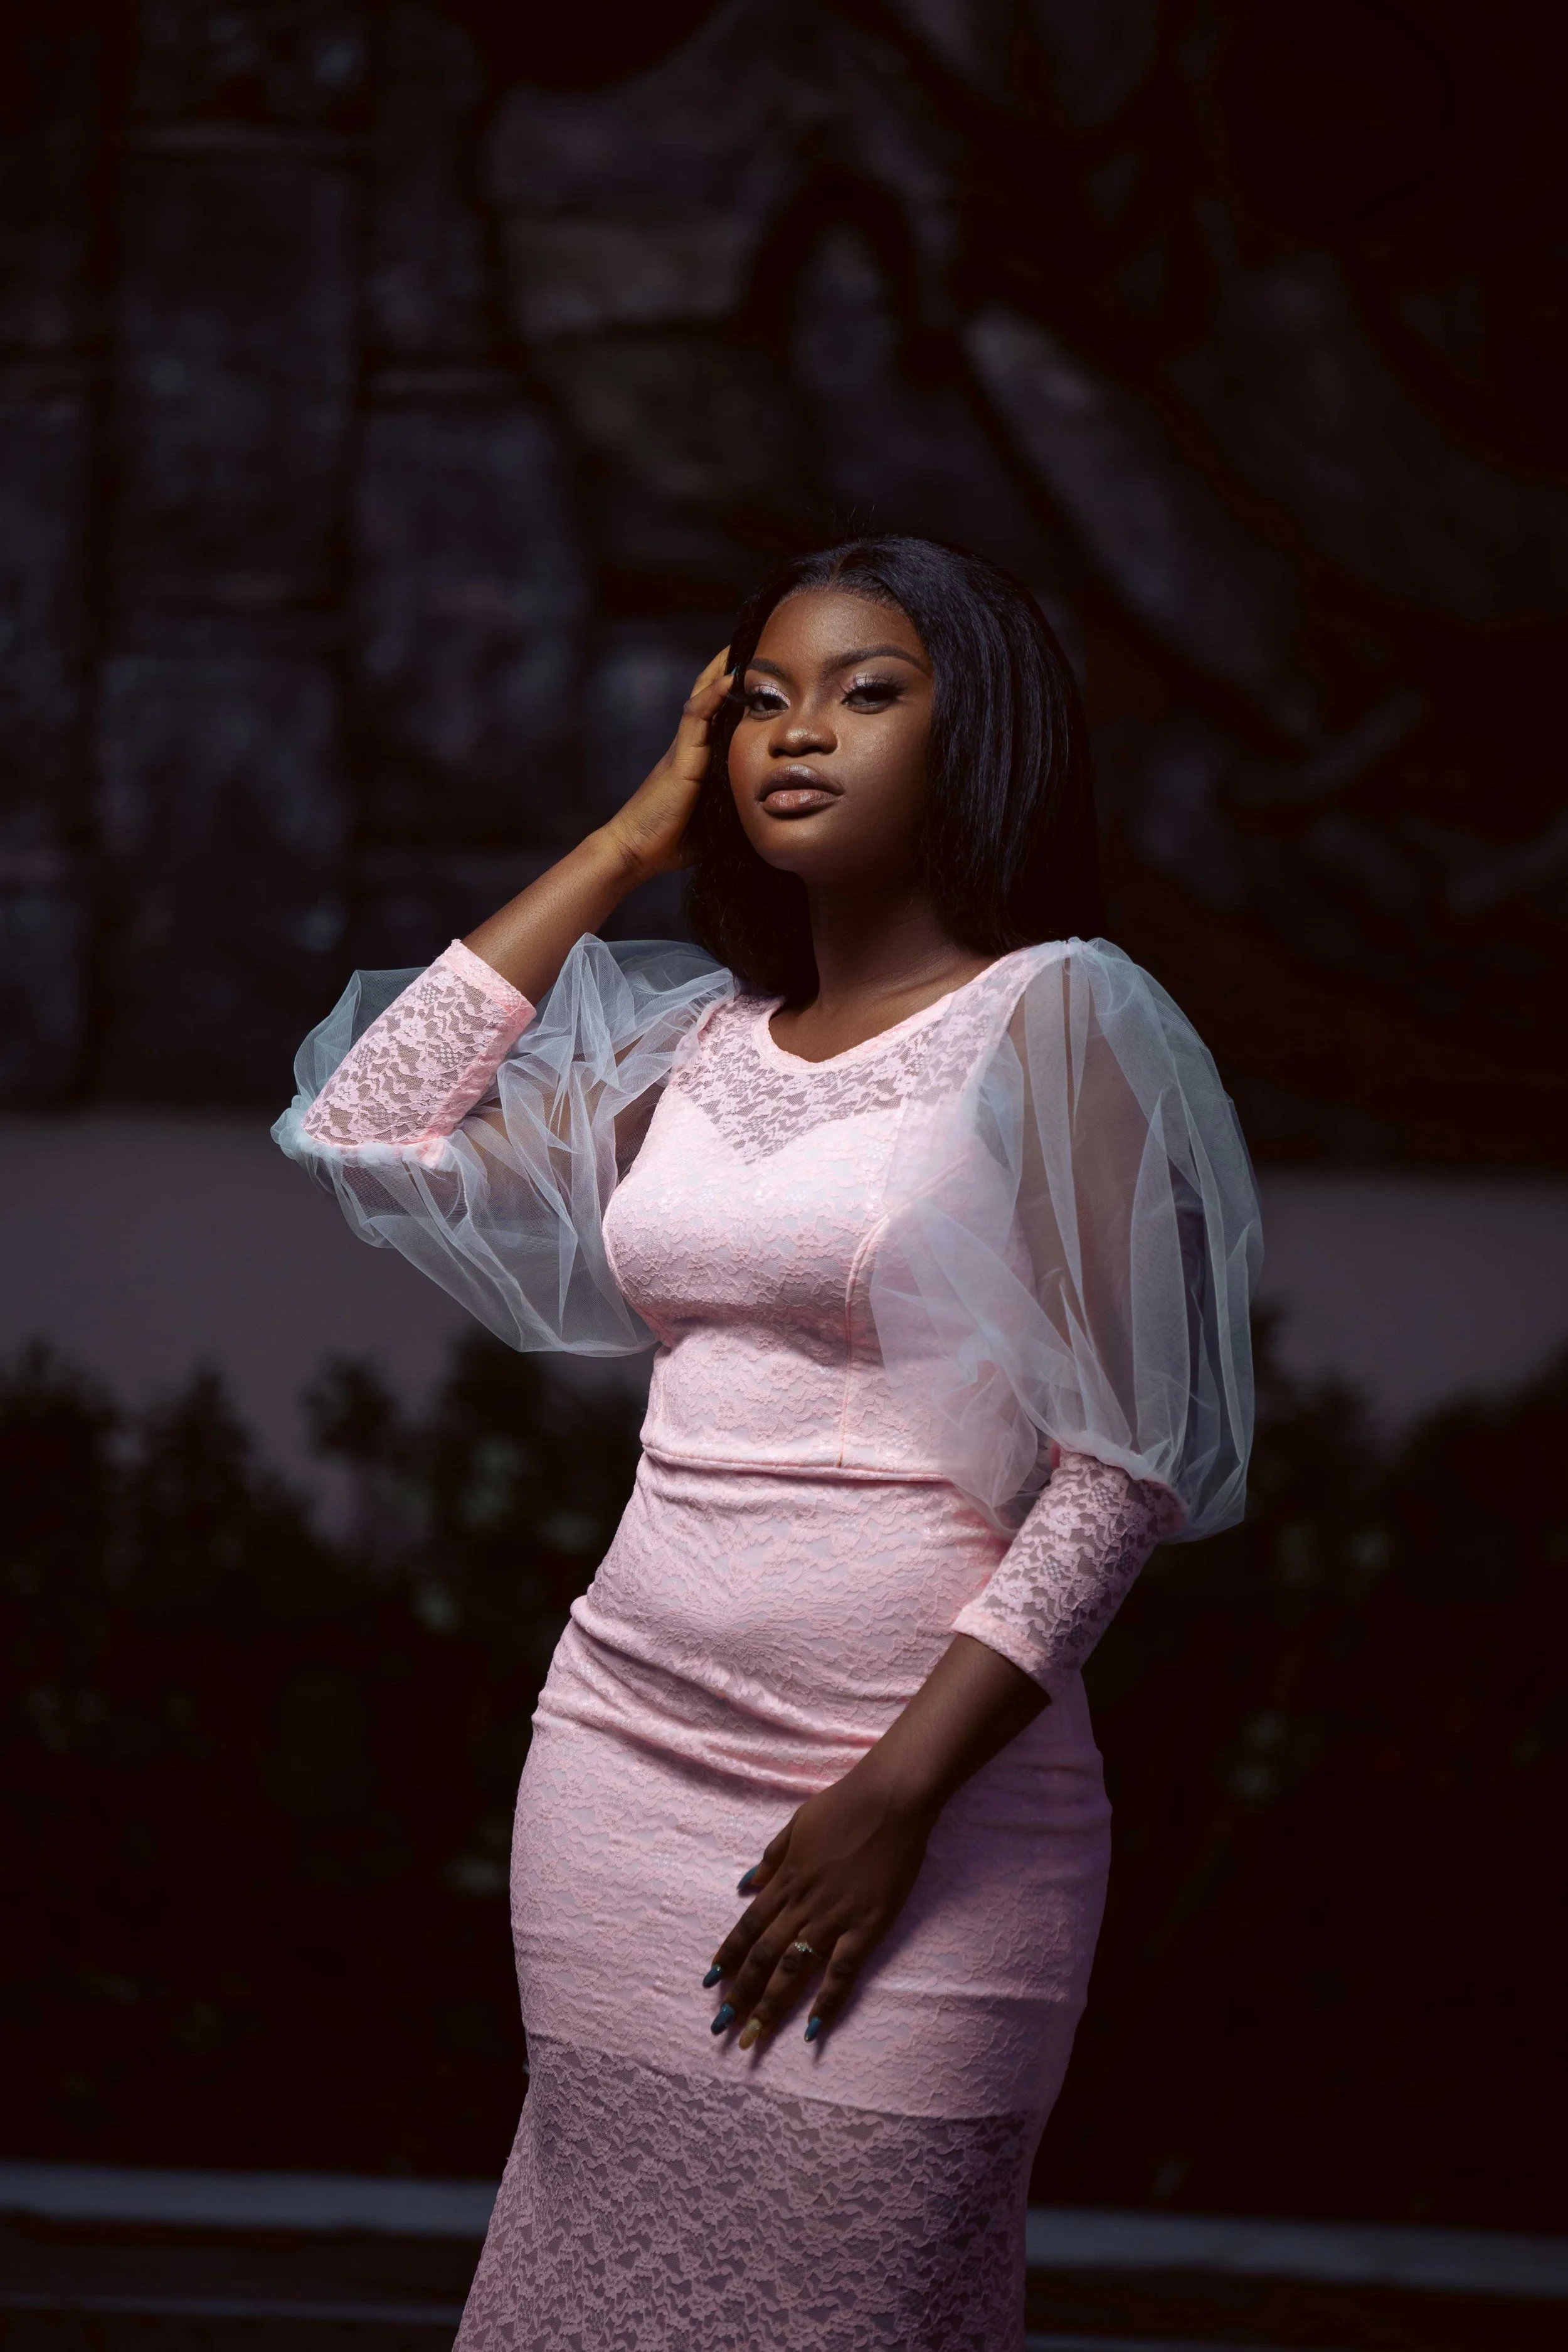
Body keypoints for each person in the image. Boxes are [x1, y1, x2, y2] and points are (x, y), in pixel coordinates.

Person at [275, 536, 1261, 2349]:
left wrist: (897, 1795)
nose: (797, 732)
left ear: (981, 736)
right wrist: (629, 840)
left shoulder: (1059, 1020)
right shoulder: (697, 1050)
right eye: (761, 698)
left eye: (868, 690)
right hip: (618, 1765)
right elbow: (365, 1120)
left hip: (930, 1812)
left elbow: (1124, 1465)